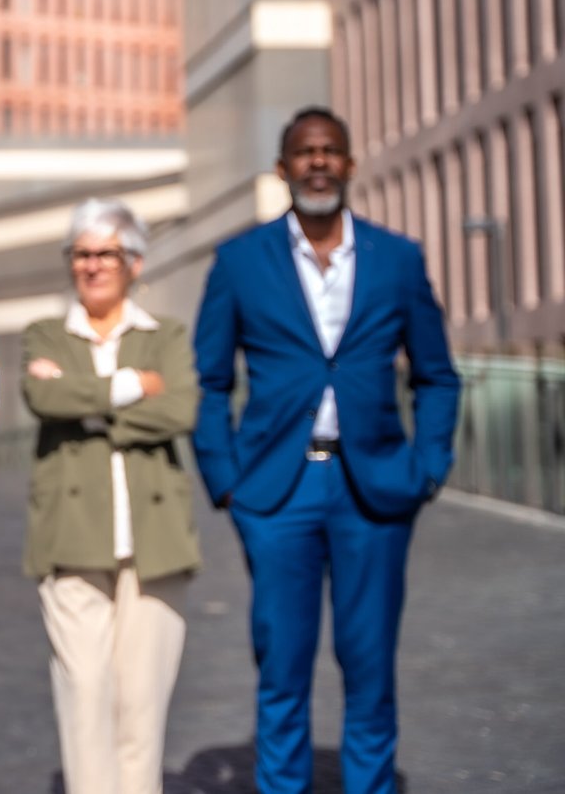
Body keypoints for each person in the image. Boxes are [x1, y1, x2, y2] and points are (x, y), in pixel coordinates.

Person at [193, 107, 461, 794]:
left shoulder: (397, 259)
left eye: (330, 151)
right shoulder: (238, 261)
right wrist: (227, 482)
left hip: (374, 489)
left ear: (348, 164)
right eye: (305, 152)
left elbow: (437, 374)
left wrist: (427, 467)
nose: (318, 162)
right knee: (281, 663)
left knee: (369, 663)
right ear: (283, 169)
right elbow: (212, 381)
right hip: (276, 494)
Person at [22, 198, 200, 794]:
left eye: (106, 254)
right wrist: (132, 388)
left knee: (142, 704)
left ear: (135, 263)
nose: (92, 266)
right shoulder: (46, 334)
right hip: (71, 538)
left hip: (156, 542)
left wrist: (90, 403)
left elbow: (181, 409)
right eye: (81, 254)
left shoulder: (165, 336)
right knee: (84, 696)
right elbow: (44, 400)